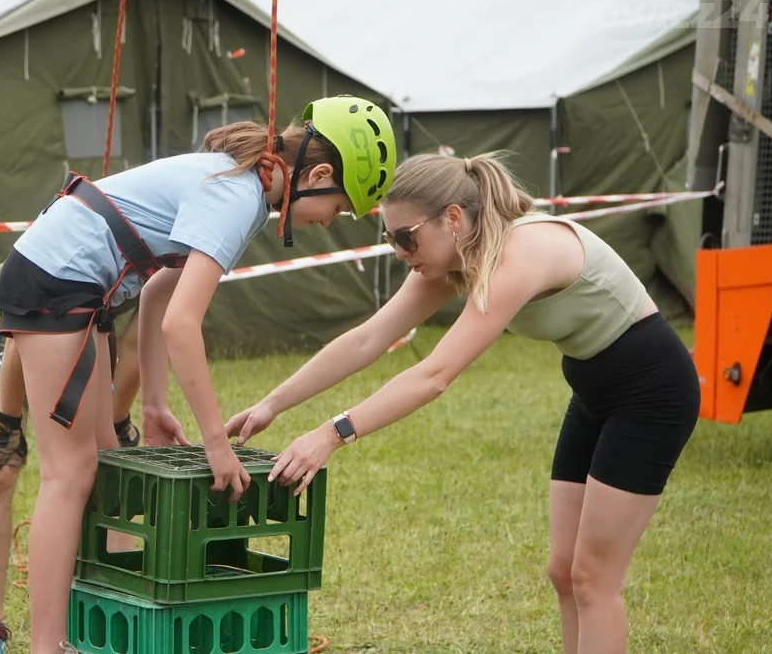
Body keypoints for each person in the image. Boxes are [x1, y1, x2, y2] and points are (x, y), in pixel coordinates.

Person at [226, 151, 700, 654]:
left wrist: (332, 433)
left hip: (652, 391)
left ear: (452, 218)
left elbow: (434, 375)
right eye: (389, 238)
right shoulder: (453, 256)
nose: (399, 251)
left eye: (405, 237)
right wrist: (272, 403)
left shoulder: (521, 251)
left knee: (593, 578)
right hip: (594, 388)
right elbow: (369, 339)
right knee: (564, 571)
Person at [0, 95, 397, 653]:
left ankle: (101, 631)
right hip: (58, 283)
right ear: (319, 175)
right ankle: (48, 647)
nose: (332, 221)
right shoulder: (238, 195)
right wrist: (215, 445)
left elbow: (159, 291)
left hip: (74, 285)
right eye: (340, 206)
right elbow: (183, 325)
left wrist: (153, 404)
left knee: (104, 467)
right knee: (71, 474)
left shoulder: (246, 187)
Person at [0, 262, 142, 654]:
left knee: (110, 469)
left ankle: (115, 620)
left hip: (85, 323)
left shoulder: (177, 258)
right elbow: (26, 323)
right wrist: (7, 418)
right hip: (10, 312)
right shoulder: (80, 250)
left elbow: (141, 343)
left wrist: (116, 419)